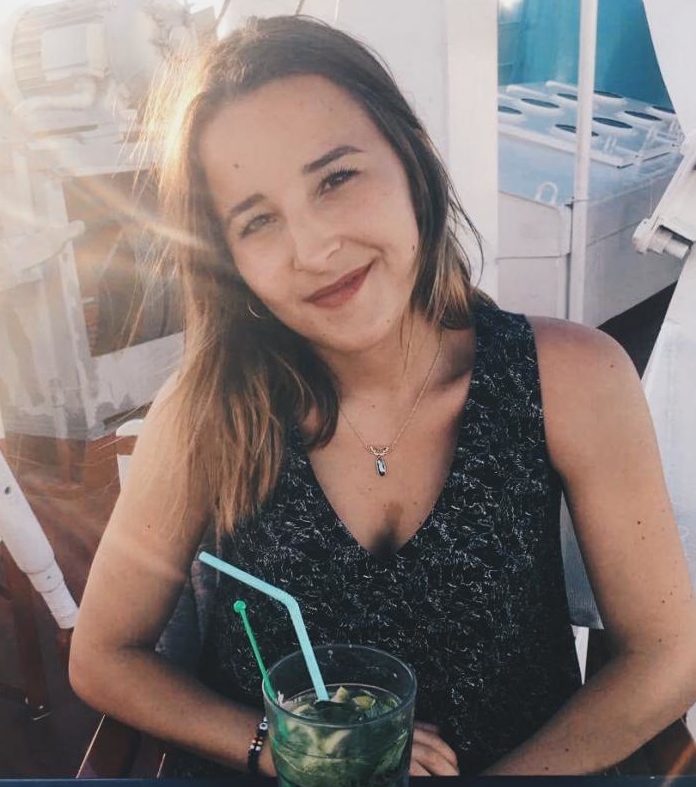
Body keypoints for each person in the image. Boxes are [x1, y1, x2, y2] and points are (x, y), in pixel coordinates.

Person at [69, 14, 696, 777]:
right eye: (258, 220)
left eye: (335, 178)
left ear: (411, 160)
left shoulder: (572, 378)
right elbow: (103, 654)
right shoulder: (208, 414)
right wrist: (272, 743)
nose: (313, 249)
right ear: (229, 262)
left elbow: (668, 652)